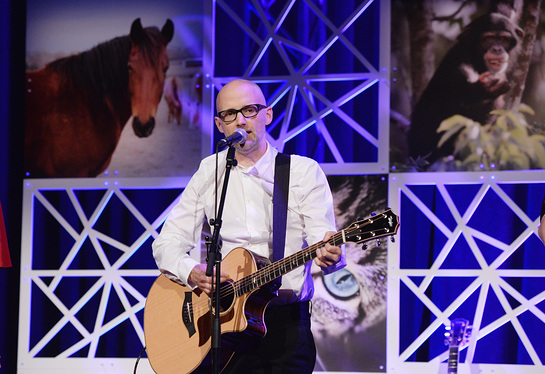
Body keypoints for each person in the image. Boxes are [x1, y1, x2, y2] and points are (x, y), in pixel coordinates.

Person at [152, 78, 345, 373]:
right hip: (222, 328)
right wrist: (192, 272)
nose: (241, 120)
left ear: (267, 115)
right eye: (230, 114)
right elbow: (167, 243)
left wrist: (332, 257)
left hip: (284, 325)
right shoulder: (210, 172)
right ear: (220, 125)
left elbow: (324, 238)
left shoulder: (302, 172)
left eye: (250, 110)